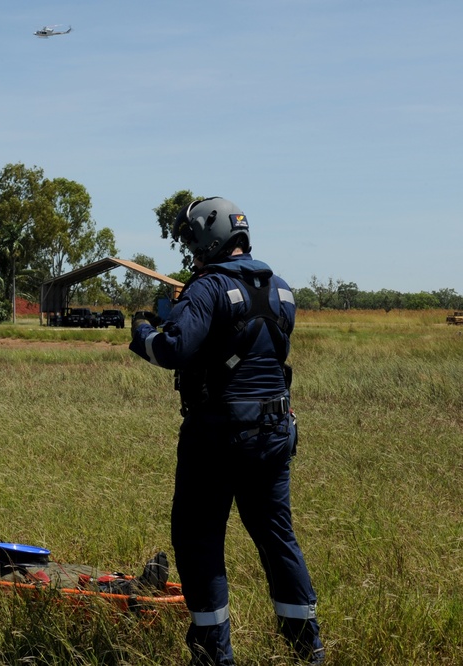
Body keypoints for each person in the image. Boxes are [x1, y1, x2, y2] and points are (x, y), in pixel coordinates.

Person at [128, 197, 324, 665]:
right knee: (278, 538)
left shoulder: (207, 287)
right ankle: (306, 649)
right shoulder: (280, 289)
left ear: (209, 237)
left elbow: (173, 351)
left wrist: (143, 329)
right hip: (275, 432)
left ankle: (214, 654)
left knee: (198, 539)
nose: (191, 252)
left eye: (193, 241)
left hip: (216, 436)